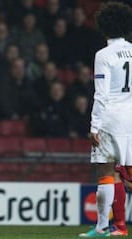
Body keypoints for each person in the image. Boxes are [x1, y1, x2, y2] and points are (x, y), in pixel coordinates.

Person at [79, 2, 132, 237]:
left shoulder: (103, 55)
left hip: (111, 118)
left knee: (107, 173)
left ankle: (101, 227)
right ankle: (119, 226)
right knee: (125, 174)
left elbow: (101, 94)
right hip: (130, 117)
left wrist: (94, 126)